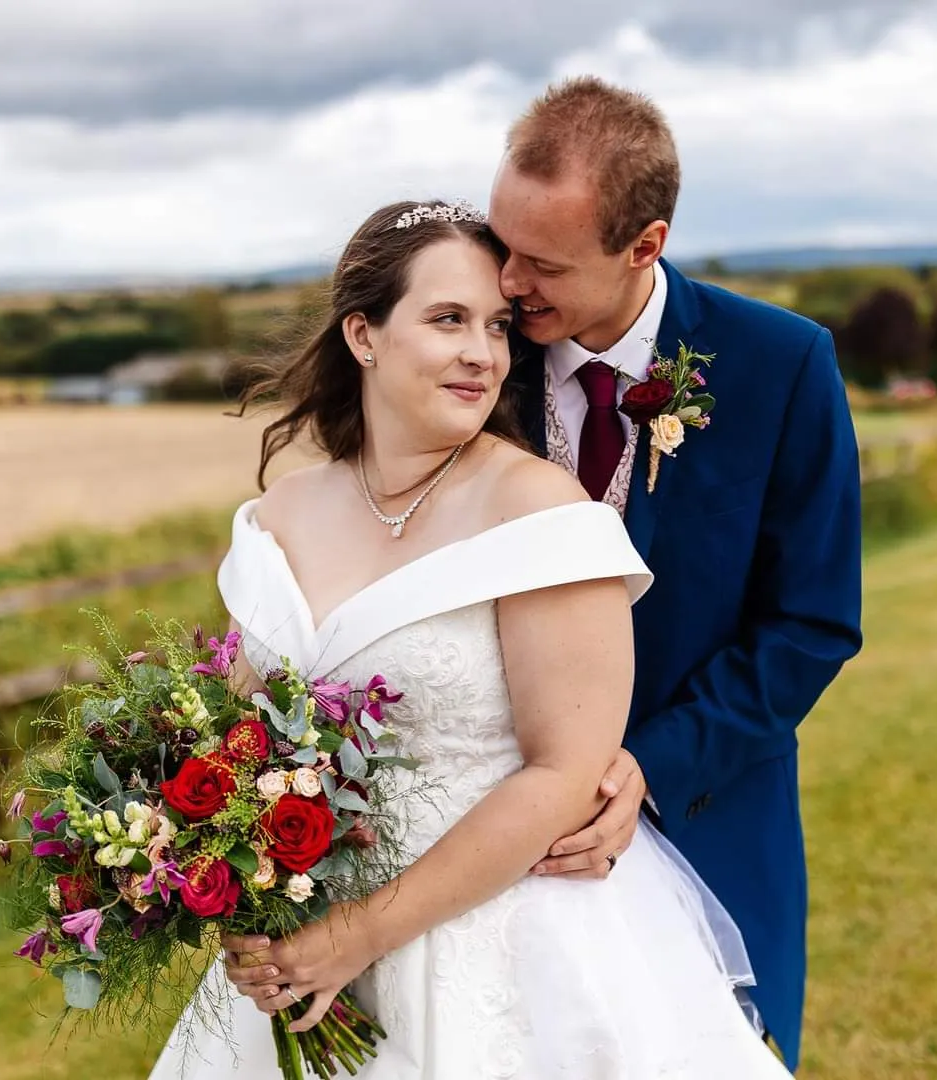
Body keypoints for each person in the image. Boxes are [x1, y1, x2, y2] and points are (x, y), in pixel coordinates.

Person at [147, 198, 791, 1078]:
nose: (483, 354)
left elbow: (565, 772)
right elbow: (233, 742)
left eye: (497, 326)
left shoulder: (539, 512)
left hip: (510, 935)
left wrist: (359, 937)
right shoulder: (281, 515)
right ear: (364, 335)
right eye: (448, 319)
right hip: (303, 936)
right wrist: (223, 874)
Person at [491, 77, 864, 1069]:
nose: (508, 283)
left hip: (708, 819)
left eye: (544, 262)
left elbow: (810, 624)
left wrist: (649, 767)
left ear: (643, 245)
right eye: (502, 245)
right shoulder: (474, 364)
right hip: (494, 827)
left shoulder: (782, 365)